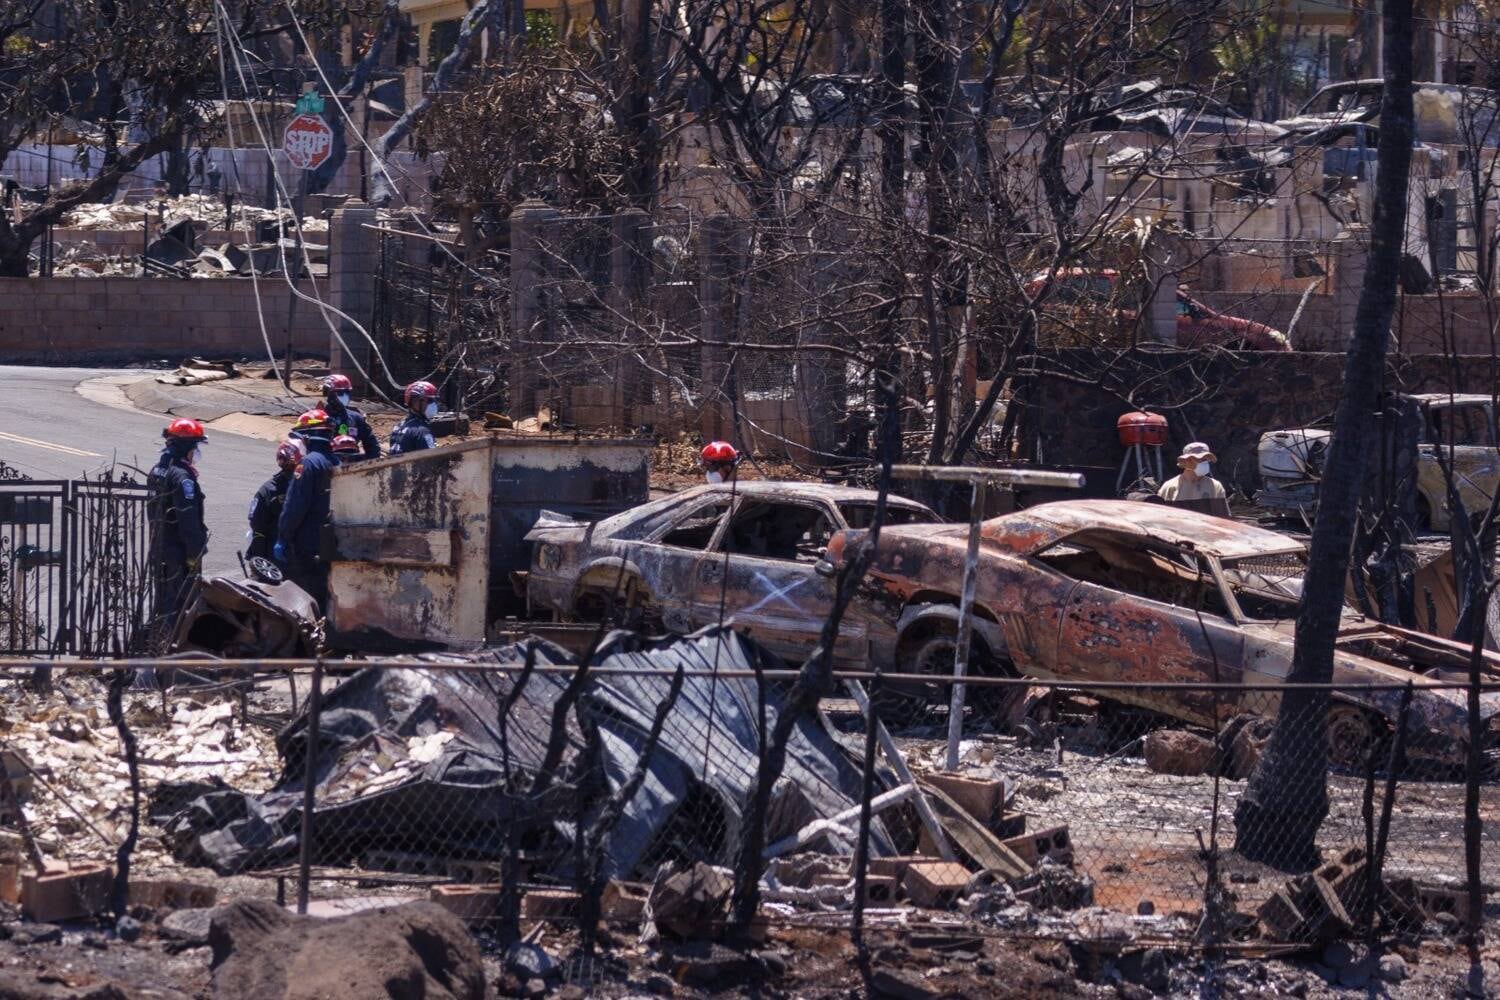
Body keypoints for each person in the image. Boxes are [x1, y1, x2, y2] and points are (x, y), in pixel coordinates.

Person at [148, 418, 208, 630]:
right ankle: (170, 654)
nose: (196, 452)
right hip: (179, 552)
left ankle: (156, 646)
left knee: (163, 602)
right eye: (195, 446)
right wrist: (195, 552)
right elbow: (187, 520)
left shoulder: (158, 469)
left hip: (160, 547)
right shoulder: (183, 477)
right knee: (179, 606)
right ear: (185, 447)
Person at [276, 409, 337, 607]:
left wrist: (283, 537)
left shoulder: (308, 464)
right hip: (331, 540)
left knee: (301, 597)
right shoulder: (336, 461)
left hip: (307, 543)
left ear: (308, 436)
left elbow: (295, 505)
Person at [247, 438, 303, 561]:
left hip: (296, 550)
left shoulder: (268, 489)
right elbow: (256, 524)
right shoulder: (268, 490)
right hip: (277, 551)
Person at [322, 373, 380, 459]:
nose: (345, 397)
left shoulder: (356, 418)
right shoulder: (317, 418)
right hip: (327, 465)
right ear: (328, 393)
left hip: (352, 465)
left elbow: (372, 445)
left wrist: (367, 465)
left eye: (347, 393)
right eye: (340, 393)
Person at [1158, 442, 1229, 508]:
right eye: (1199, 459)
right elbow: (1161, 515)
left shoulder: (1215, 486)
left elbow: (1223, 516)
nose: (1204, 462)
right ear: (1186, 461)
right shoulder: (1170, 487)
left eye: (1205, 460)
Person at [390, 380, 439, 455]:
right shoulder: (422, 431)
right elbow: (432, 459)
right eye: (429, 400)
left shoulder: (399, 426)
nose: (433, 404)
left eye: (434, 400)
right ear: (415, 402)